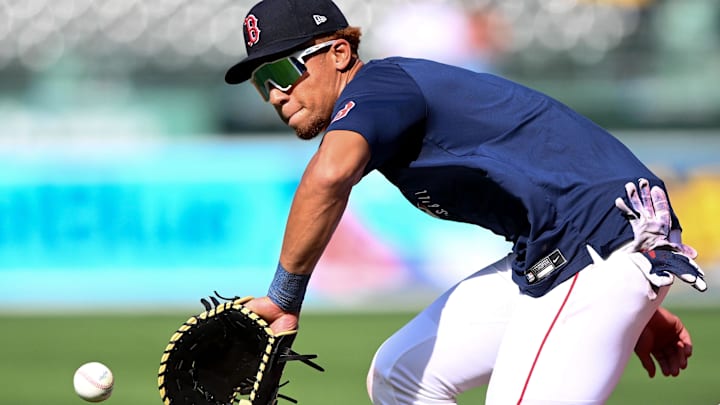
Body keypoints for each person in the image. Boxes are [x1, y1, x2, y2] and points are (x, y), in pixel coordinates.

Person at [222, 0, 707, 403]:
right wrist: (624, 303)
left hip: (599, 242)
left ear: (341, 53)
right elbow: (547, 170)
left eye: (285, 71)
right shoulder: (387, 108)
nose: (276, 95)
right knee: (400, 376)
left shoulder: (381, 89)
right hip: (577, 250)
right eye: (262, 84)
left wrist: (284, 297)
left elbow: (328, 178)